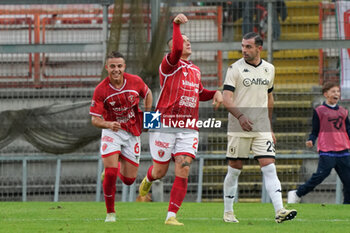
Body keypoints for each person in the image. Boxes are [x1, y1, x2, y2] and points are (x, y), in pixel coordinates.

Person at [137, 13, 223, 226]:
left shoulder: (195, 70)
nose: (187, 43)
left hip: (188, 127)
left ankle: (171, 216)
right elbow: (176, 50)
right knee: (160, 171)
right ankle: (148, 179)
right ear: (173, 47)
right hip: (164, 123)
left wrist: (215, 93)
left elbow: (199, 93)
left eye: (189, 41)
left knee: (183, 167)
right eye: (183, 41)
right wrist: (175, 25)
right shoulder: (168, 66)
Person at [222, 32, 297, 223]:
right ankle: (228, 212)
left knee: (270, 168)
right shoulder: (234, 69)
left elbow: (269, 97)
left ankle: (280, 211)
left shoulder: (269, 69)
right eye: (243, 46)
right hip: (239, 127)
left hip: (261, 127)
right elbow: (226, 98)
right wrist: (240, 116)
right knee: (235, 169)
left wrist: (269, 127)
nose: (244, 50)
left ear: (259, 48)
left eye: (248, 47)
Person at [89, 51, 153, 222]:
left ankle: (117, 160)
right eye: (112, 66)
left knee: (129, 180)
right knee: (111, 173)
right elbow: (95, 119)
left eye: (119, 66)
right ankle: (110, 213)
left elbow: (148, 94)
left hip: (132, 132)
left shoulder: (135, 81)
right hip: (112, 131)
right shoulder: (101, 89)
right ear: (107, 68)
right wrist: (108, 124)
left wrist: (148, 118)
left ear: (124, 67)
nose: (116, 69)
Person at [288, 82, 350, 204]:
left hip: (343, 150)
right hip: (327, 151)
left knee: (348, 181)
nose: (336, 94)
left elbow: (348, 129)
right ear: (326, 94)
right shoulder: (319, 111)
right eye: (333, 91)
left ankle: (347, 206)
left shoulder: (344, 111)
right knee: (320, 176)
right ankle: (297, 193)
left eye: (338, 91)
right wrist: (311, 139)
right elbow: (315, 130)